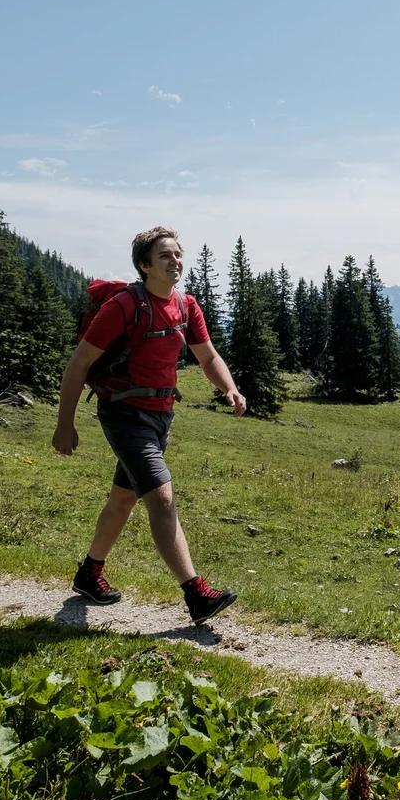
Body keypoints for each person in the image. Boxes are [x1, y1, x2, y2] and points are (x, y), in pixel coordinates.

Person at [53, 225, 244, 624]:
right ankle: (196, 594)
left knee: (124, 498)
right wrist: (64, 424)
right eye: (164, 256)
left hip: (161, 416)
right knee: (161, 497)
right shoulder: (123, 306)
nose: (175, 262)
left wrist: (230, 388)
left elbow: (208, 358)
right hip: (123, 414)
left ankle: (90, 574)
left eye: (177, 255)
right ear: (144, 265)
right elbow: (79, 362)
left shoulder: (186, 305)